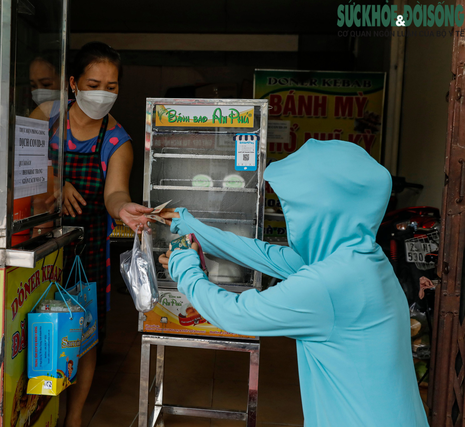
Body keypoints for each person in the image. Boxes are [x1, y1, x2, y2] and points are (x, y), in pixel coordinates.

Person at [159, 139, 429, 427]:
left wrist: (183, 265)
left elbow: (235, 313)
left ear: (321, 209)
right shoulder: (362, 258)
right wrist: (188, 226)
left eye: (293, 207)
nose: (290, 217)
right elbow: (266, 255)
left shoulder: (328, 283)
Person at [31, 42, 151, 427]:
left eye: (112, 86)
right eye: (95, 83)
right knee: (33, 325)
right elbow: (18, 168)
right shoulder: (44, 117)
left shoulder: (117, 140)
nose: (103, 93)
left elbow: (115, 193)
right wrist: (56, 179)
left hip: (87, 247)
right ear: (73, 83)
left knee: (82, 336)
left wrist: (124, 209)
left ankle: (74, 418)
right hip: (36, 240)